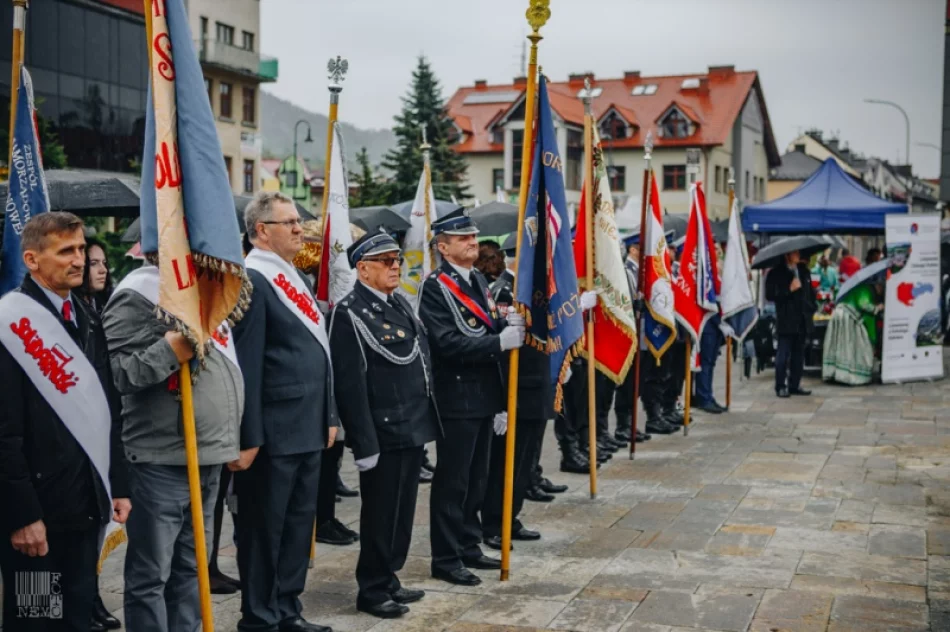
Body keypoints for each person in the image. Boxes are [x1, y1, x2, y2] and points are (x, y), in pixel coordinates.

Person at [0, 212, 130, 631]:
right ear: (33, 260)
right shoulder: (11, 324)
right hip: (38, 514)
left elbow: (108, 407)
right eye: (66, 251)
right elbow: (3, 432)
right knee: (39, 620)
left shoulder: (87, 315)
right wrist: (22, 515)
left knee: (77, 616)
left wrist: (119, 484)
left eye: (80, 249)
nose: (78, 260)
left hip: (84, 505)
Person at [104, 264, 244, 628]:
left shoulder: (204, 290)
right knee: (152, 574)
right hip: (160, 460)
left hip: (208, 456)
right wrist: (169, 351)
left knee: (193, 569)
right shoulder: (137, 294)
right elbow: (119, 374)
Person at [233, 191, 338, 632]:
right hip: (273, 432)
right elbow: (248, 366)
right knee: (264, 531)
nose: (300, 228)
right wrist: (249, 436)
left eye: (299, 220)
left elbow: (319, 353)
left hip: (309, 426)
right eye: (290, 222)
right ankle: (259, 617)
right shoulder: (253, 280)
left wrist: (329, 415)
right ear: (262, 231)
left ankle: (288, 609)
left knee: (297, 527)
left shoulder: (291, 276)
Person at [329, 231, 440, 619]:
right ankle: (372, 589)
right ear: (363, 268)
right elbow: (350, 384)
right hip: (383, 430)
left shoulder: (398, 305)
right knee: (379, 514)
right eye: (386, 261)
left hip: (411, 426)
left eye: (397, 260)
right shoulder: (349, 313)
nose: (396, 266)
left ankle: (389, 575)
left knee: (402, 512)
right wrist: (364, 443)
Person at [419, 211, 523, 586]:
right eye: (462, 238)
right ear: (442, 246)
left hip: (485, 395)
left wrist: (507, 325)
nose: (472, 241)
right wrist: (498, 341)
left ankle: (468, 543)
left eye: (474, 235)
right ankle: (445, 558)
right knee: (453, 481)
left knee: (477, 479)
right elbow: (445, 342)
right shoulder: (436, 286)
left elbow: (485, 323)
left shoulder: (477, 278)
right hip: (457, 397)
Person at [74, 238, 124, 630]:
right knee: (35, 592)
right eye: (92, 262)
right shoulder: (32, 319)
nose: (97, 268)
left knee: (89, 537)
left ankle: (90, 601)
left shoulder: (98, 312)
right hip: (49, 469)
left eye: (96, 261)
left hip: (95, 448)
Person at [765, 250, 817, 398]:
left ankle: (795, 384)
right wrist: (788, 290)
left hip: (802, 319)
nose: (798, 255)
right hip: (786, 320)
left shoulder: (803, 271)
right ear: (787, 255)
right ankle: (780, 385)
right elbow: (770, 295)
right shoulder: (776, 273)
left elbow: (809, 293)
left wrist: (812, 307)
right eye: (795, 253)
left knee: (799, 355)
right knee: (783, 354)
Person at [822, 277, 884, 385]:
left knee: (840, 346)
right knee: (850, 347)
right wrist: (877, 308)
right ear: (878, 286)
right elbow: (863, 304)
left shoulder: (862, 288)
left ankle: (837, 373)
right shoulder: (866, 289)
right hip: (847, 317)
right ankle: (849, 376)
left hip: (841, 315)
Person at [77, 238, 114, 314]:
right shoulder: (72, 308)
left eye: (104, 263)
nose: (103, 270)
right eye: (93, 263)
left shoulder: (106, 303)